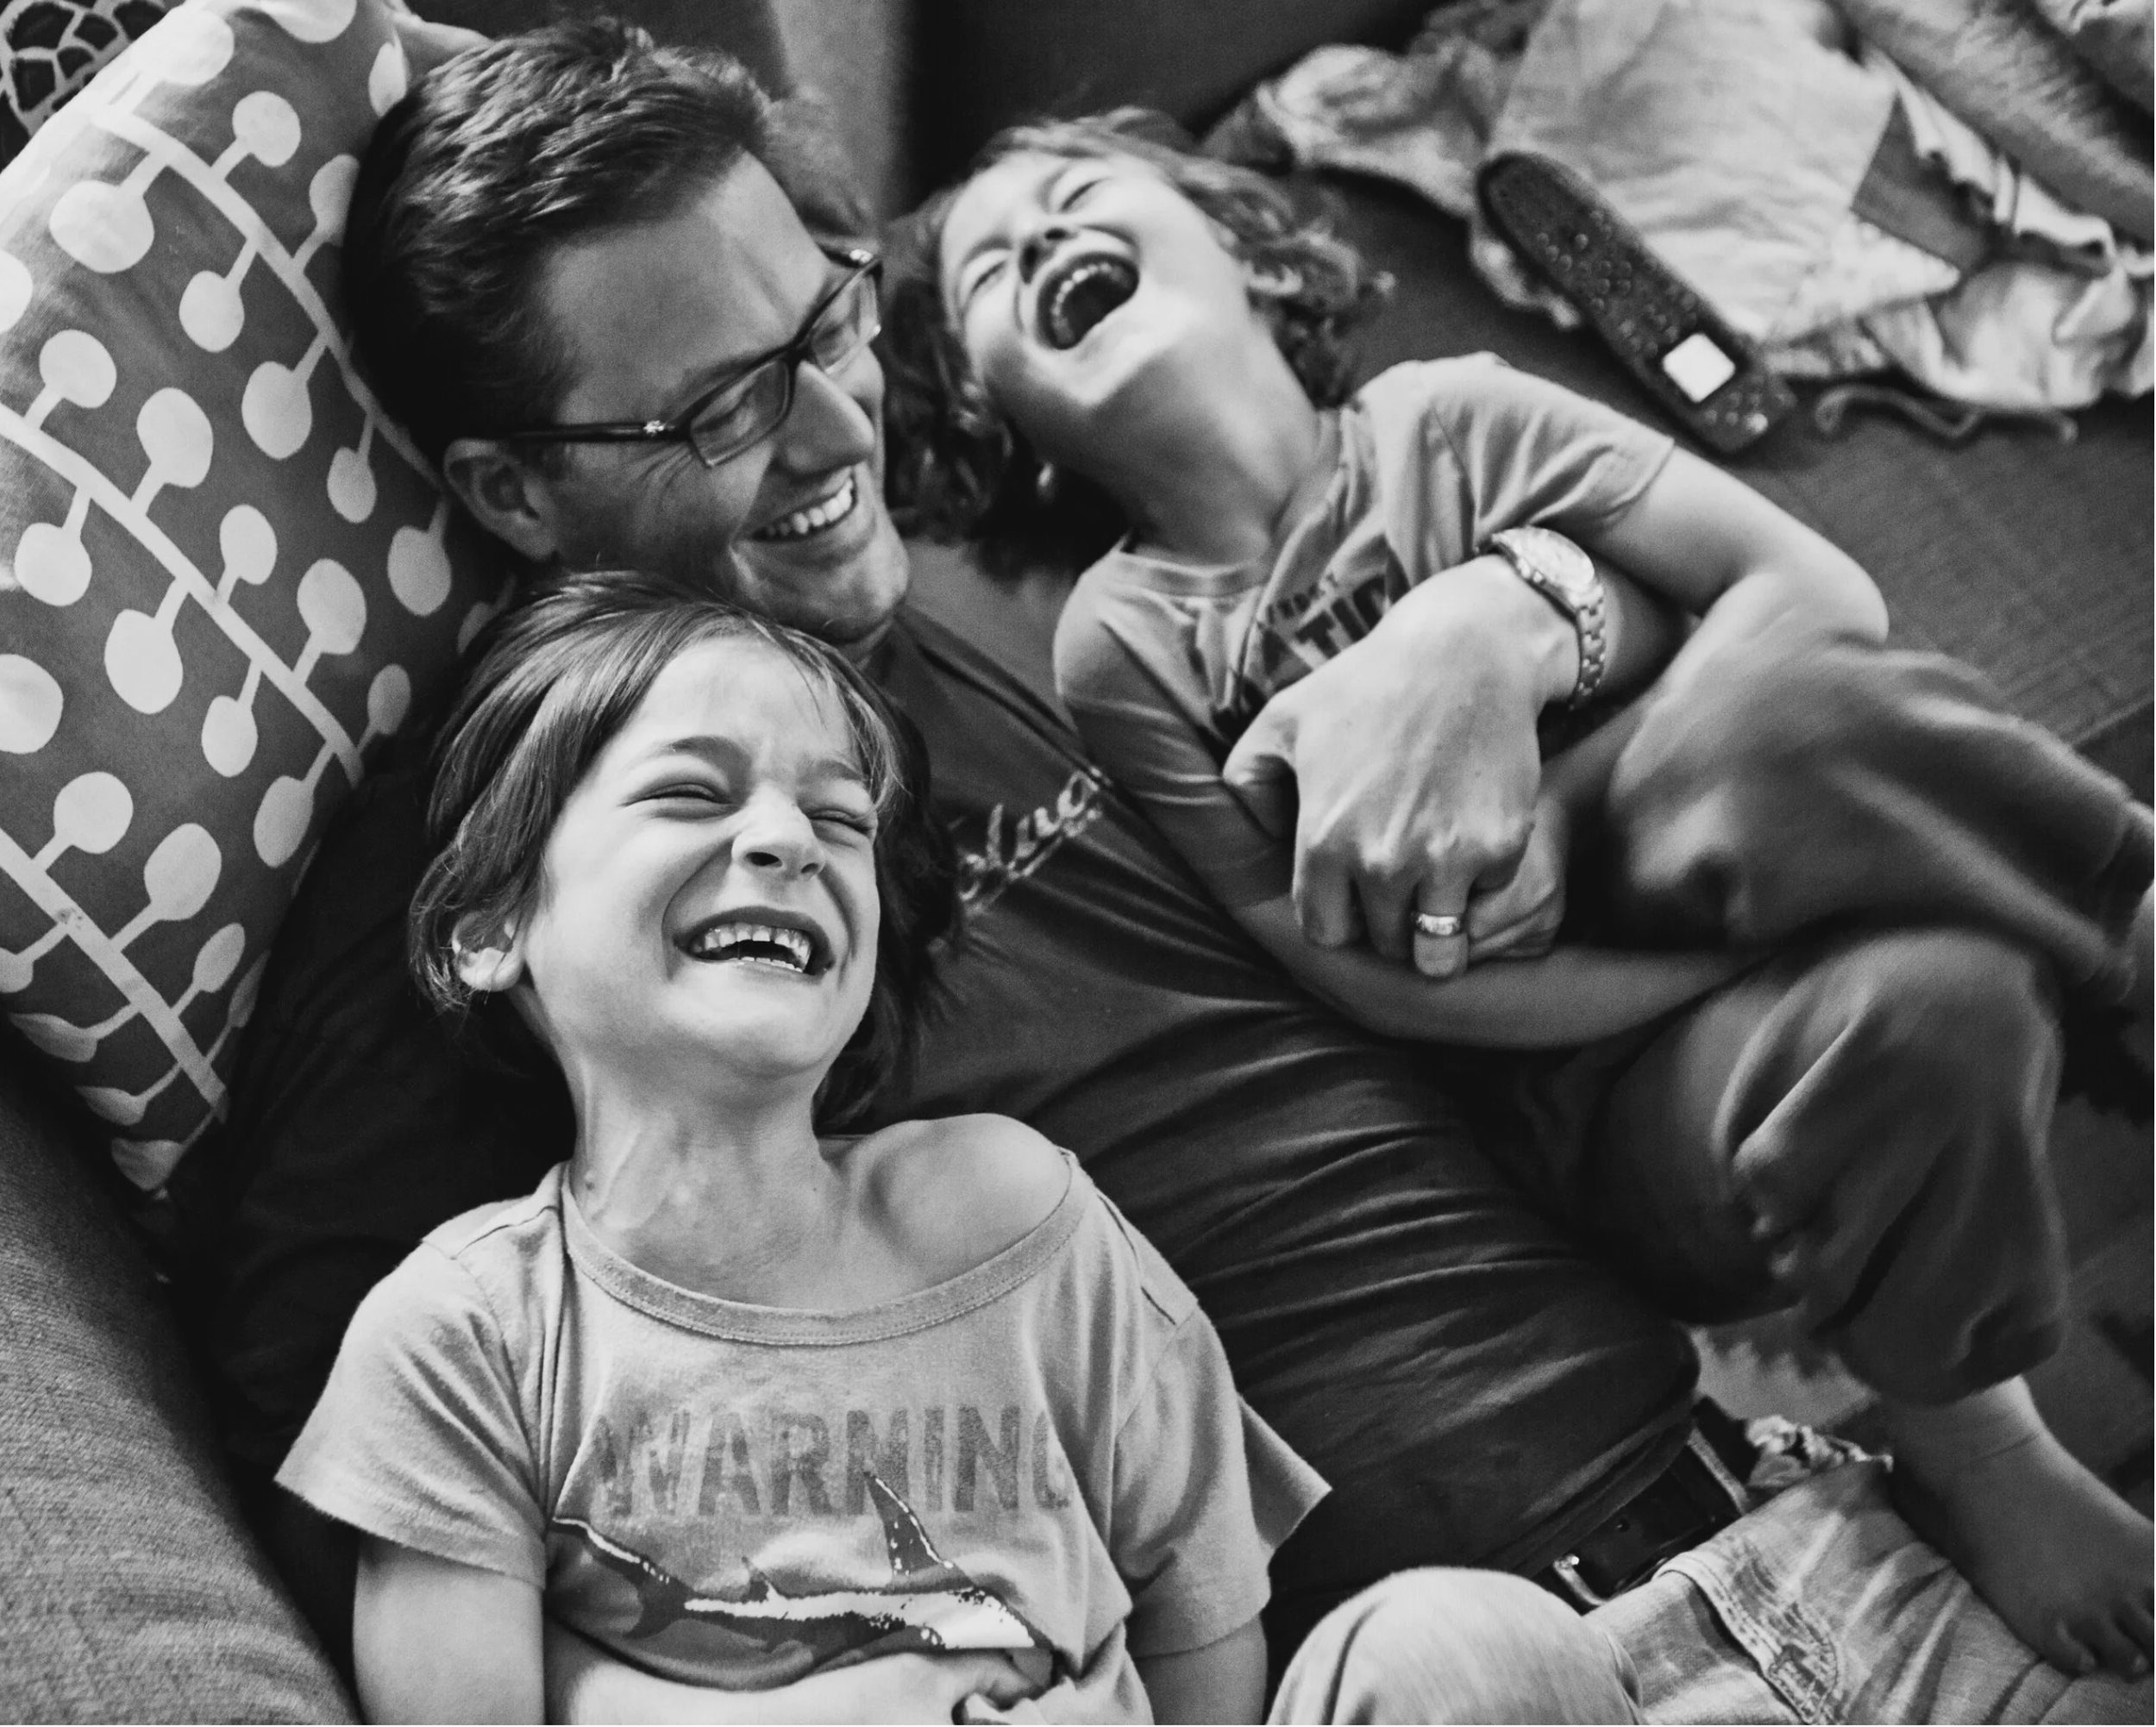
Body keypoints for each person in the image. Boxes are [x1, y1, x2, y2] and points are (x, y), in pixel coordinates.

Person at [185, 18, 2151, 1721]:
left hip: (1784, 1515)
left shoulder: (1007, 602)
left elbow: (1412, 616)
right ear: (512, 491)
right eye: (709, 410)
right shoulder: (525, 820)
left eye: (822, 323)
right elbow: (329, 1410)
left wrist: (1499, 616)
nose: (824, 433)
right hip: (1393, 1657)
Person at [880, 110, 2156, 1676]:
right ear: (992, 419)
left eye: (1076, 195)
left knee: (1820, 802)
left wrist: (1567, 764)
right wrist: (1702, 961)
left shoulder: (1453, 417)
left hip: (1729, 855)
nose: (1035, 243)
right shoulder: (1124, 642)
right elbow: (1358, 978)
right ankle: (1985, 1443)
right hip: (1582, 1089)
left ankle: (2113, 924)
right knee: (1892, 930)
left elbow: (1818, 597)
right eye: (990, 280)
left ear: (1246, 251)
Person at [280, 573, 1641, 1725]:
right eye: (691, 793)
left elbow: (1203, 1615)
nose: (781, 839)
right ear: (491, 924)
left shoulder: (1012, 1209)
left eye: (836, 818)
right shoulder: (465, 1335)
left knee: (1455, 1649)